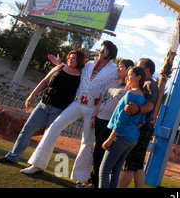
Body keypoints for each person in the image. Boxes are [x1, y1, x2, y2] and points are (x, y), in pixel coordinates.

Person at [21, 40, 118, 187]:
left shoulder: (113, 71)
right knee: (54, 127)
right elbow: (74, 69)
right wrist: (61, 64)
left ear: (110, 54)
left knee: (87, 141)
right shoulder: (90, 65)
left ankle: (81, 177)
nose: (100, 52)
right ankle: (37, 164)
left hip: (93, 108)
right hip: (78, 102)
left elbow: (116, 85)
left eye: (103, 51)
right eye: (100, 49)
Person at [0, 50, 85, 164]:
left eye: (74, 58)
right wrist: (32, 95)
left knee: (48, 138)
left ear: (79, 61)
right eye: (70, 57)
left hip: (59, 111)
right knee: (27, 130)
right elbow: (44, 81)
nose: (71, 59)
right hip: (43, 105)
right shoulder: (59, 68)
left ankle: (38, 164)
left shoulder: (82, 77)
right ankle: (12, 157)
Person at [88, 59, 134, 188]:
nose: (119, 68)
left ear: (128, 70)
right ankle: (94, 180)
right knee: (97, 151)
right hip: (100, 118)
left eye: (122, 67)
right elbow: (101, 100)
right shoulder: (111, 83)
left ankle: (96, 182)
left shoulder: (128, 88)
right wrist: (94, 116)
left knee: (99, 152)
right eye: (118, 66)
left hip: (110, 123)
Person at [99, 66, 147, 188]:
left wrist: (110, 139)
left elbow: (121, 120)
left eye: (130, 74)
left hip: (121, 136)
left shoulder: (131, 94)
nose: (127, 77)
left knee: (104, 170)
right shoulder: (142, 97)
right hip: (132, 138)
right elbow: (141, 120)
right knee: (116, 171)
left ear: (138, 78)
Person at [118, 58, 159, 188]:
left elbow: (151, 105)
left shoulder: (148, 84)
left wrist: (138, 109)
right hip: (148, 125)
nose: (135, 67)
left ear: (146, 70)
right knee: (138, 164)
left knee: (130, 163)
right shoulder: (151, 84)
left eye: (139, 66)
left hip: (143, 126)